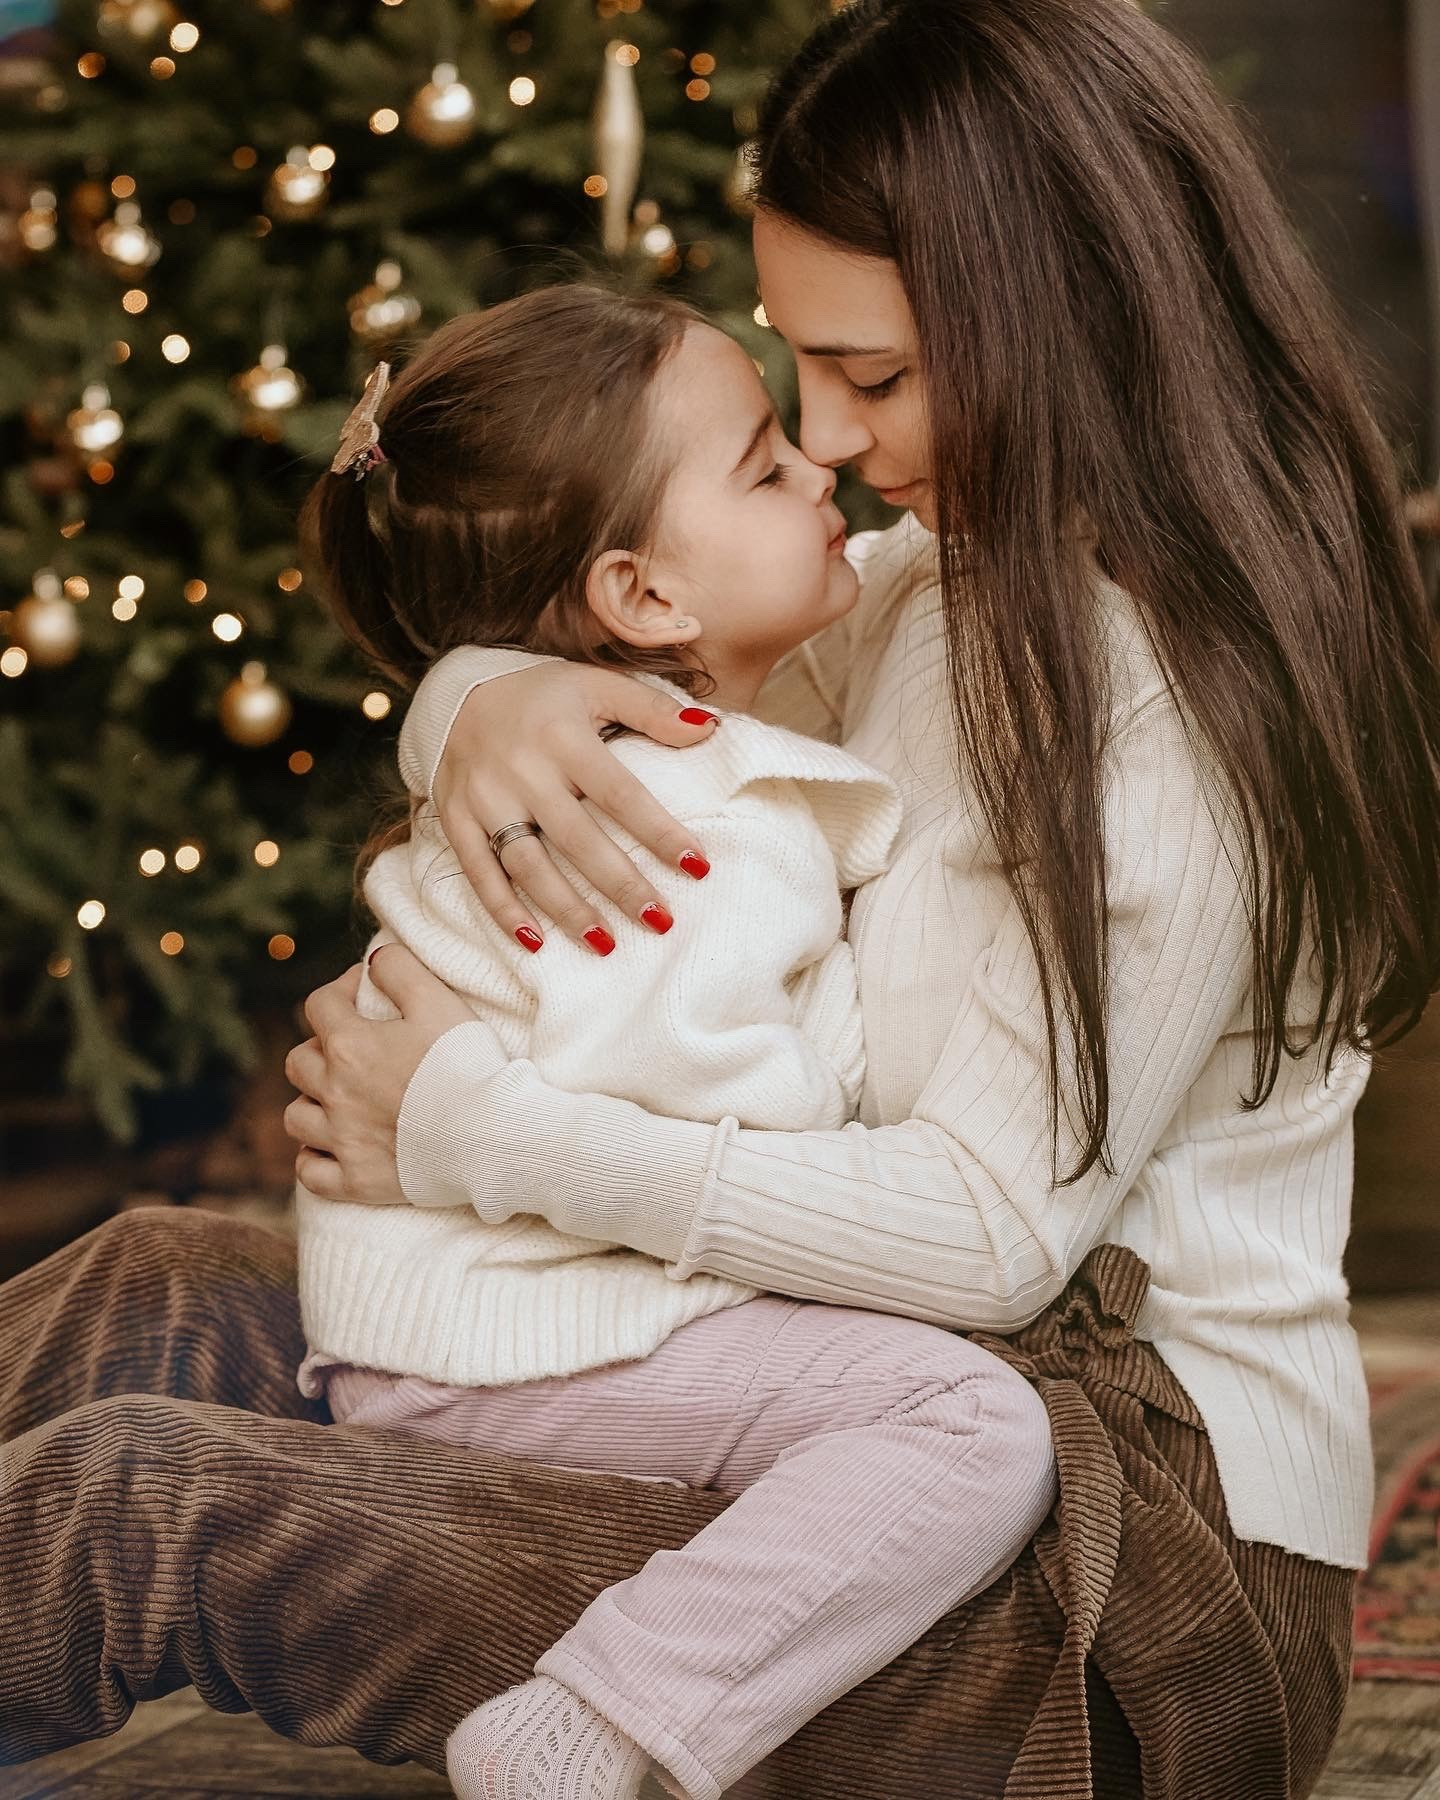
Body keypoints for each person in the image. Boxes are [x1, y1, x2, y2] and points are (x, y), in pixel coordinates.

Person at [1, 0, 1435, 1794]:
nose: (823, 435)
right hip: (847, 1381)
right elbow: (656, 655)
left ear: (1060, 318)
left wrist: (467, 1127)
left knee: (140, 1510)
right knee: (150, 1283)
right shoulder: (937, 589)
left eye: (874, 379)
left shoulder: (1169, 712)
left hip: (1123, 1570)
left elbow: (991, 1239)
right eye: (799, 371)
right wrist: (479, 702)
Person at [290, 281, 1056, 1800]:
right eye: (766, 468)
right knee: (971, 1421)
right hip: (513, 1343)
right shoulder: (685, 821)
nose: (823, 466)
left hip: (460, 1315)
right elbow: (721, 1125)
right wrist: (870, 1083)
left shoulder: (596, 748)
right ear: (642, 600)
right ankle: (591, 1729)